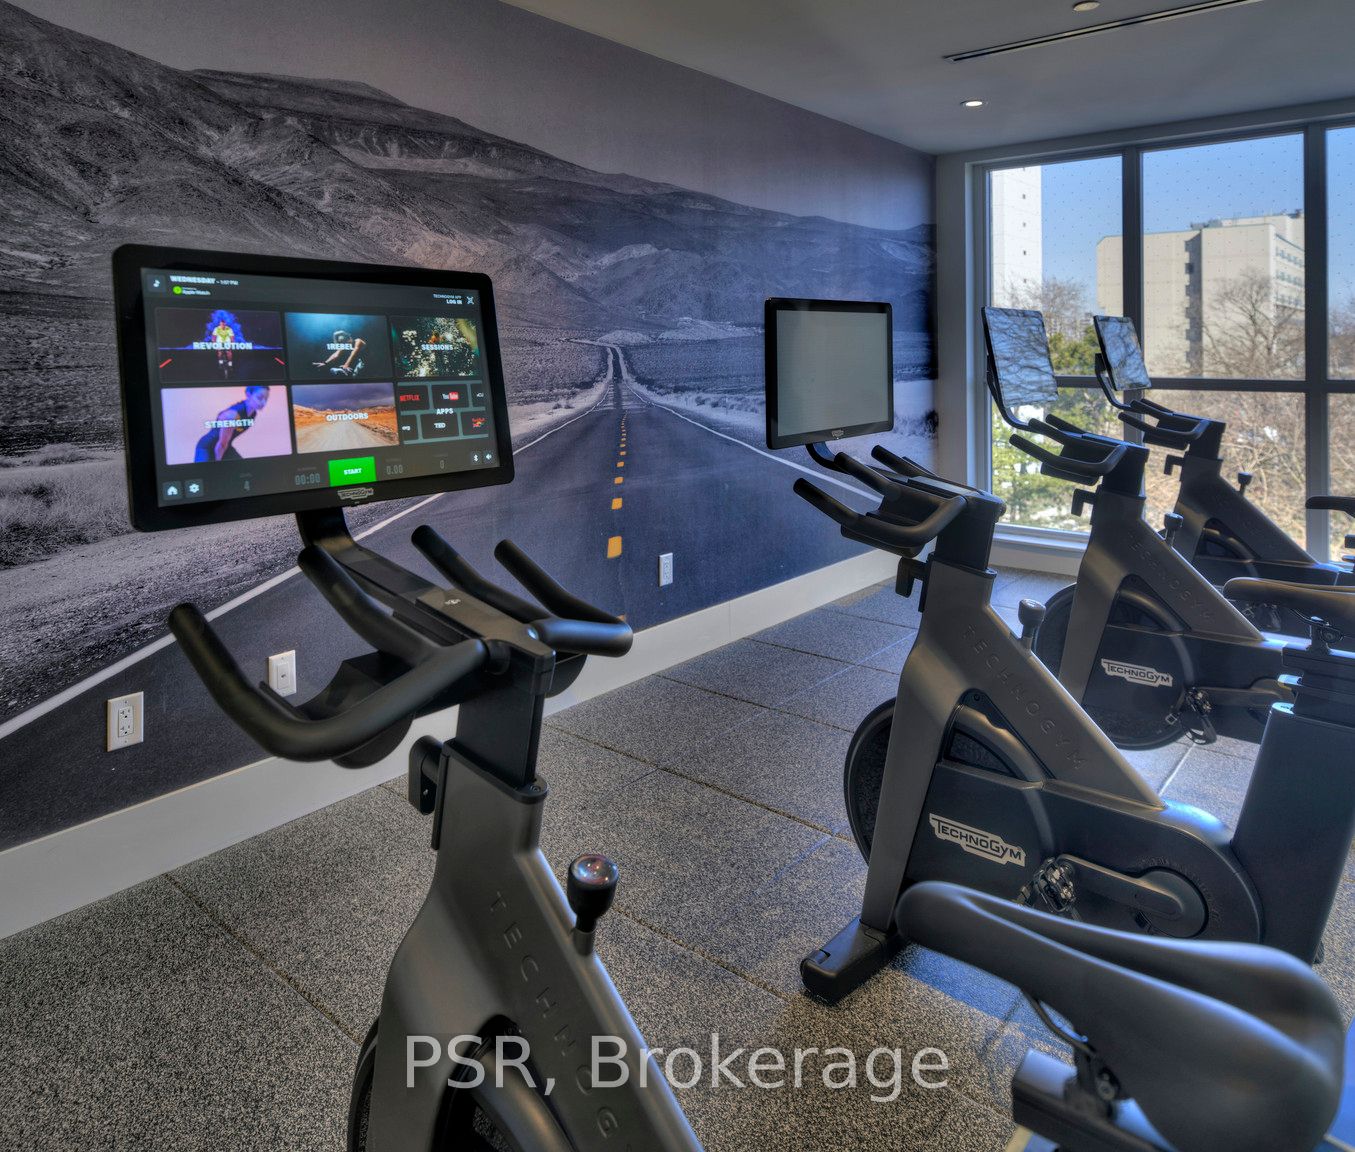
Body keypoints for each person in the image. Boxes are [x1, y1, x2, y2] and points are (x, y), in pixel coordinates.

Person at [193, 386, 271, 463]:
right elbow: (221, 444)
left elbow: (228, 439)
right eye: (260, 398)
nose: (263, 402)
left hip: (225, 446)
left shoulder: (253, 414)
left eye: (266, 399)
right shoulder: (232, 415)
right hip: (207, 447)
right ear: (248, 394)